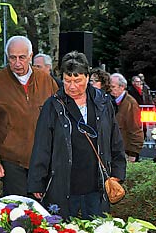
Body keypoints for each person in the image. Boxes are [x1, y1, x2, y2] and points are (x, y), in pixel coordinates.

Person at [27, 51, 126, 220]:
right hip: (63, 185)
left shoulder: (103, 102)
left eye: (78, 80)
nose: (72, 86)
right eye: (67, 80)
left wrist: (118, 171)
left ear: (88, 78)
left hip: (97, 186)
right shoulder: (52, 105)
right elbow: (42, 146)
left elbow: (114, 140)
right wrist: (37, 181)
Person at [0, 36, 58, 197]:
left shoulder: (46, 81)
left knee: (47, 214)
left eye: (22, 57)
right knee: (18, 213)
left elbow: (59, 119)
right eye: (12, 58)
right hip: (12, 160)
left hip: (43, 159)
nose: (17, 63)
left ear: (30, 56)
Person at [110, 73, 144, 162]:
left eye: (113, 87)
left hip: (125, 151)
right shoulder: (111, 101)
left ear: (122, 87)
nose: (110, 89)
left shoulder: (130, 104)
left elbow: (135, 129)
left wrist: (133, 153)